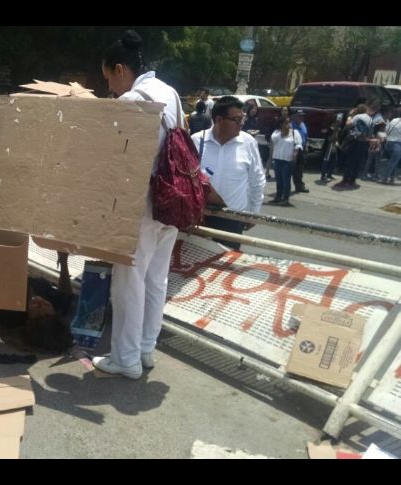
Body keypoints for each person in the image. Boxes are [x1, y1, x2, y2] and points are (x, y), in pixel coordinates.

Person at [90, 30, 181, 379]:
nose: (110, 87)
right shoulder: (169, 92)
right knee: (156, 279)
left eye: (108, 78)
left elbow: (114, 160)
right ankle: (145, 350)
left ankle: (125, 359)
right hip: (171, 201)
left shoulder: (132, 102)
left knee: (128, 281)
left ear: (119, 69)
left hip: (140, 204)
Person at [191, 96, 266, 250]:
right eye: (236, 119)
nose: (242, 123)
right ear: (219, 120)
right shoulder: (196, 141)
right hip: (199, 217)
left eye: (243, 118)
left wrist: (253, 213)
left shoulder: (248, 143)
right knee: (194, 265)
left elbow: (257, 180)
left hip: (232, 219)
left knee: (224, 268)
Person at [269, 115, 302, 207]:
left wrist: (295, 154)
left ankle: (286, 199)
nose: (288, 124)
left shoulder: (295, 133)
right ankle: (278, 196)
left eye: (289, 122)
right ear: (281, 124)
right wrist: (283, 132)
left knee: (286, 180)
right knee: (279, 180)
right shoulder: (276, 133)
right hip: (278, 159)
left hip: (288, 160)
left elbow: (298, 145)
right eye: (286, 122)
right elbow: (273, 140)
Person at [379, 108, 401, 185]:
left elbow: (387, 130)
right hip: (397, 144)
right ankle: (385, 178)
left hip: (388, 143)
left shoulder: (394, 120)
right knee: (393, 162)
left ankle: (392, 178)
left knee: (394, 161)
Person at [290, 109, 309, 193]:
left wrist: (306, 146)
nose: (301, 117)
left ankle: (299, 186)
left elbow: (305, 136)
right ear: (293, 116)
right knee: (292, 169)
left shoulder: (303, 124)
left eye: (302, 116)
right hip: (293, 150)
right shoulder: (290, 126)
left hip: (302, 149)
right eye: (299, 116)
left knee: (300, 169)